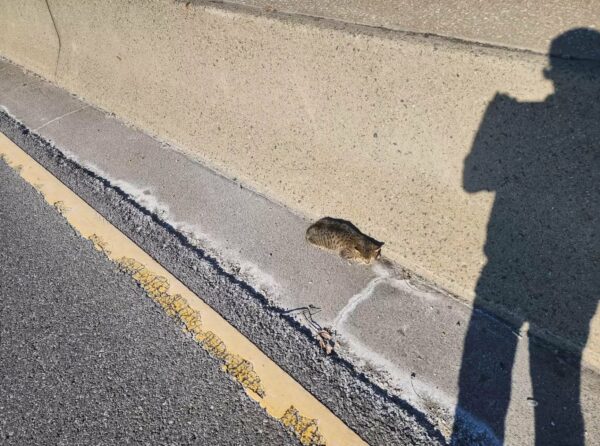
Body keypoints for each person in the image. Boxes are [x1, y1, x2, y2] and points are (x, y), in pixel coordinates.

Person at [452, 29, 600, 445]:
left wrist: (500, 122)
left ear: (551, 73)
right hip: (581, 282)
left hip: (506, 265)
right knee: (561, 394)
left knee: (489, 382)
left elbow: (472, 179)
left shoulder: (522, 118)